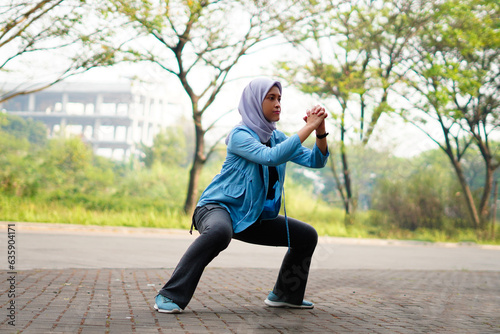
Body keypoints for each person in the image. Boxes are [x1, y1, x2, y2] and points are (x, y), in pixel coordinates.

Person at [154, 77, 329, 314]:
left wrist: (319, 131)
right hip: (217, 208)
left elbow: (316, 161)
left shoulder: (278, 138)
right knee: (219, 232)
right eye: (271, 98)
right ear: (255, 102)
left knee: (306, 235)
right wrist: (307, 127)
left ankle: (286, 294)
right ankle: (170, 295)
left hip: (250, 215)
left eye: (279, 98)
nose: (278, 103)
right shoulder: (240, 136)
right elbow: (271, 157)